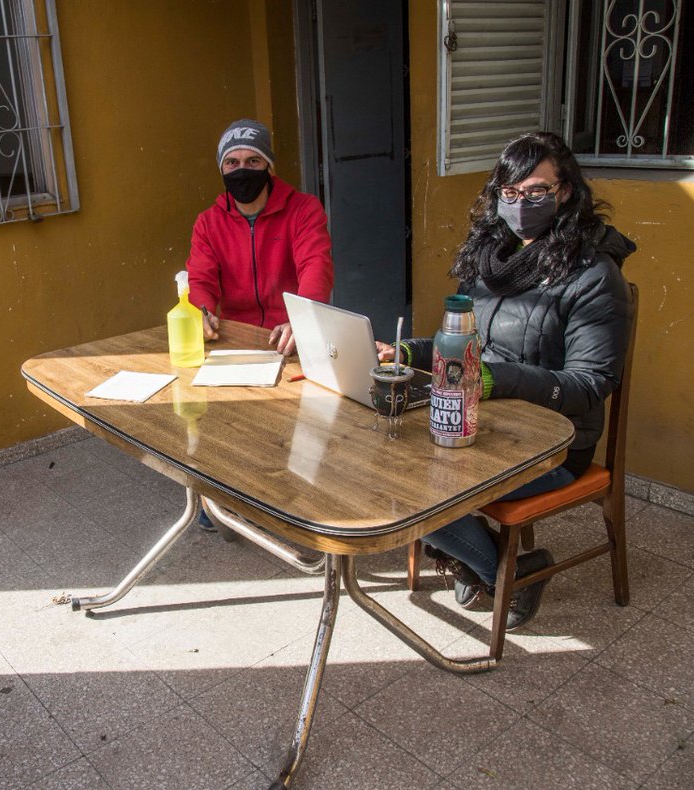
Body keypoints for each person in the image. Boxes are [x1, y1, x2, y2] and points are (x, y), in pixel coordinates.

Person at [377, 131, 635, 629]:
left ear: (565, 192)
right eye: (510, 194)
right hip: (482, 420)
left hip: (556, 443)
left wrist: (495, 378)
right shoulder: (489, 260)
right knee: (382, 456)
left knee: (420, 486)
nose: (521, 205)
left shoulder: (594, 275)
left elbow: (588, 384)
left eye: (537, 191)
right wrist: (404, 353)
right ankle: (502, 563)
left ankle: (502, 568)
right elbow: (453, 346)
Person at [186, 119, 334, 357]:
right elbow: (201, 280)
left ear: (269, 167)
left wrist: (303, 320)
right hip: (233, 337)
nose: (242, 169)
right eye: (232, 162)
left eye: (253, 161)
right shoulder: (207, 223)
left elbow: (315, 265)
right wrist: (202, 312)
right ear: (222, 169)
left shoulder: (304, 209)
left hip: (291, 336)